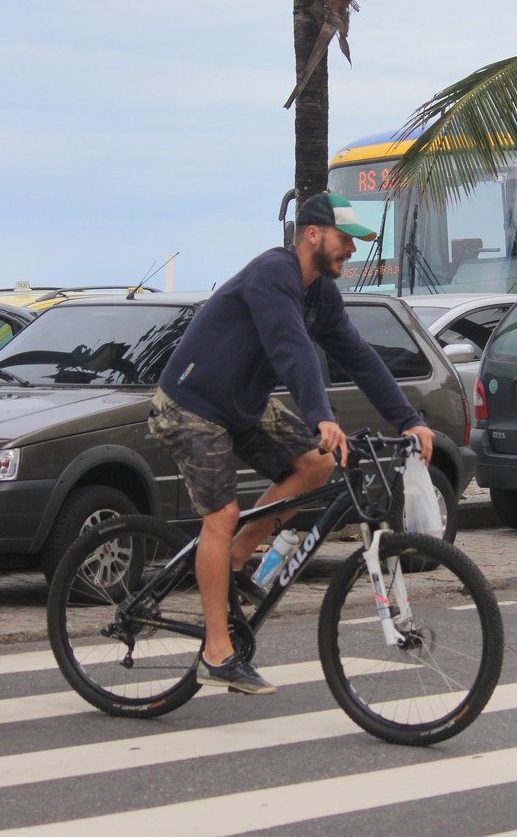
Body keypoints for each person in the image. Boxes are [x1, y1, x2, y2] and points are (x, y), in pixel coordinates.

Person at [149, 191, 434, 695]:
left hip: (242, 405)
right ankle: (217, 651)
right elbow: (290, 346)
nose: (352, 249)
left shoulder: (320, 293)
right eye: (345, 238)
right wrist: (321, 414)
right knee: (220, 514)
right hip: (190, 404)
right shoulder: (273, 273)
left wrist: (409, 420)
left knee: (317, 463)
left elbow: (360, 357)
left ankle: (237, 556)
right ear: (312, 234)